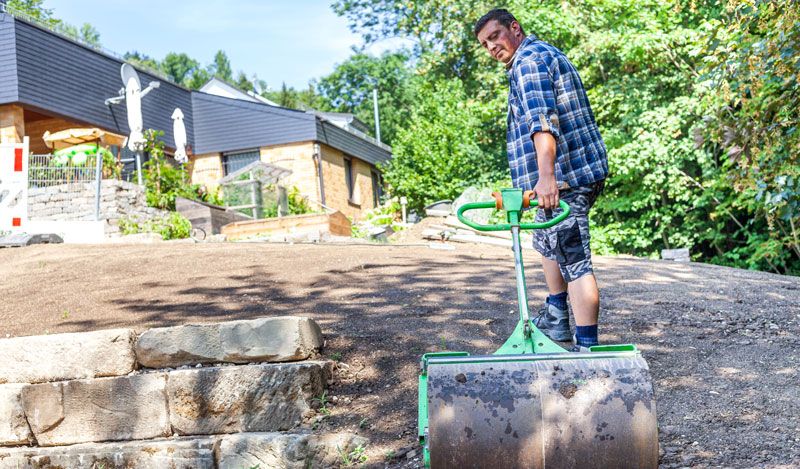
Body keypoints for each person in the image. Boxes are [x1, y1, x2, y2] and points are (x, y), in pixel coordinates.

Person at [474, 8, 609, 351]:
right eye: (485, 43)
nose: (491, 47)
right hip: (560, 180)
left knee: (575, 260)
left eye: (495, 36)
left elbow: (542, 122)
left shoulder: (528, 62)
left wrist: (547, 177)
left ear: (514, 29)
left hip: (563, 180)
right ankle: (556, 315)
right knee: (546, 242)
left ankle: (588, 348)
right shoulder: (542, 53)